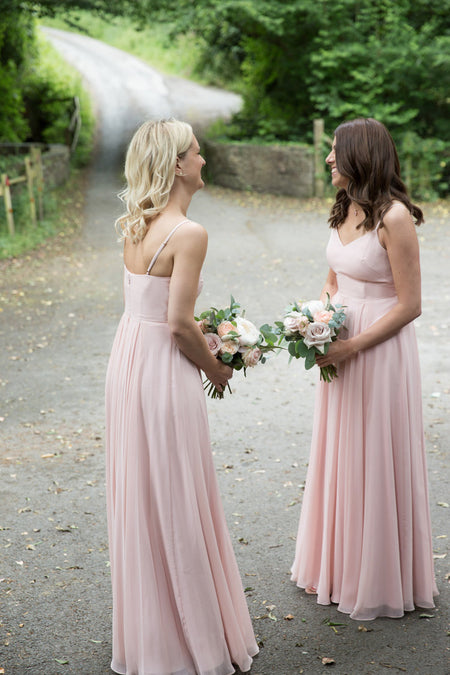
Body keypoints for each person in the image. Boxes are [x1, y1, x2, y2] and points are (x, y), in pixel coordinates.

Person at [105, 119, 258, 675]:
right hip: (164, 367)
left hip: (128, 360)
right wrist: (218, 367)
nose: (204, 159)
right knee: (177, 492)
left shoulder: (135, 223)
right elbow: (178, 325)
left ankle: (154, 633)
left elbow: (152, 312)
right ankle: (189, 639)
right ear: (176, 164)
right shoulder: (189, 233)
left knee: (145, 493)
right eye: (197, 152)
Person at [290, 118, 438, 621]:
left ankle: (376, 574)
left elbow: (411, 304)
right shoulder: (343, 208)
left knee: (374, 450)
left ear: (359, 156)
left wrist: (352, 345)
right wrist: (320, 321)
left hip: (378, 347)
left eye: (336, 151)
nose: (329, 159)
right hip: (339, 343)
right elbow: (333, 279)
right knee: (340, 448)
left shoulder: (393, 217)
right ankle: (338, 563)